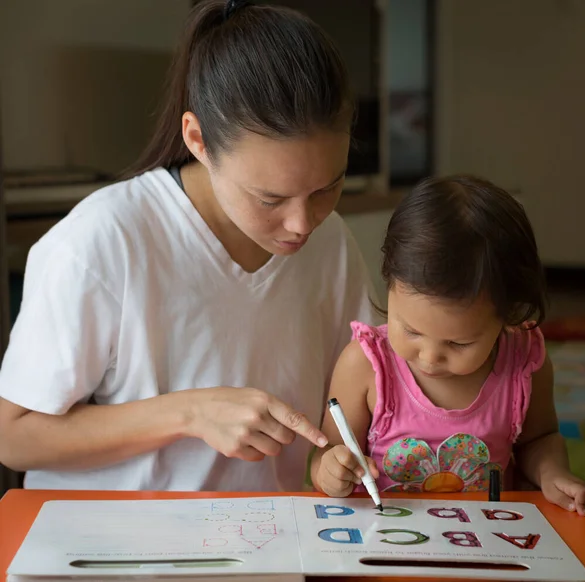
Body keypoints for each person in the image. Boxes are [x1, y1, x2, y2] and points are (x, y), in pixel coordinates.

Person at [0, 0, 377, 491]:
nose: (302, 223)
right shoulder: (103, 240)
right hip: (122, 556)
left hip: (278, 547)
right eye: (270, 198)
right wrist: (190, 412)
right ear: (198, 139)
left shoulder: (333, 243)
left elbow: (367, 395)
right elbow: (13, 436)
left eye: (328, 187)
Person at [311, 175, 585, 522]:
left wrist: (552, 474)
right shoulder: (365, 365)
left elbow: (540, 439)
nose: (430, 357)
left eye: (458, 342)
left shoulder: (523, 361)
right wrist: (331, 471)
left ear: (508, 316)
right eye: (411, 330)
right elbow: (329, 452)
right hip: (384, 540)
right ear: (389, 282)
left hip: (488, 538)